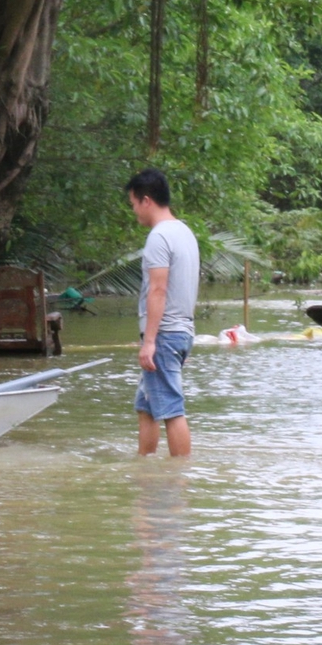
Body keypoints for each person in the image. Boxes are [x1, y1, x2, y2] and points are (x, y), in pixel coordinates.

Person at [126, 168, 200, 457]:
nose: (134, 212)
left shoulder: (159, 237)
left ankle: (180, 475)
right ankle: (144, 466)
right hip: (180, 331)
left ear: (146, 200)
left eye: (133, 204)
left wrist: (150, 342)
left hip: (165, 335)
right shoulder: (185, 232)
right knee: (146, 406)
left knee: (170, 408)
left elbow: (158, 289)